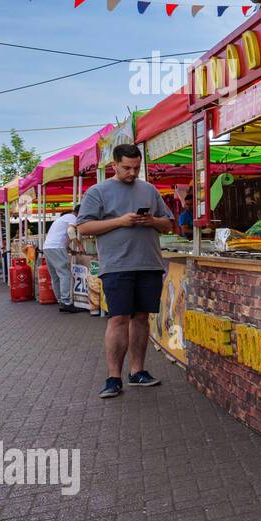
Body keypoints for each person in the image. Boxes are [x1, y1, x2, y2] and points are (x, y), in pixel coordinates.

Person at [77, 144, 175, 399]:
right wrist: (120, 221)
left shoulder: (149, 190)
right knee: (118, 318)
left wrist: (151, 220)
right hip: (117, 266)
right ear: (114, 165)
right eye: (126, 168)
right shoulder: (97, 191)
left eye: (136, 168)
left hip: (149, 263)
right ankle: (113, 377)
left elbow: (168, 224)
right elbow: (84, 227)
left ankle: (138, 372)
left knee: (141, 318)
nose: (132, 173)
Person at [43, 204, 83, 313]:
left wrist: (70, 250)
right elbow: (70, 232)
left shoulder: (63, 218)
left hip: (47, 248)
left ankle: (60, 300)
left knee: (55, 276)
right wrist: (79, 245)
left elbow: (60, 237)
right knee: (65, 274)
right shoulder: (73, 217)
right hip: (57, 248)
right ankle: (66, 302)